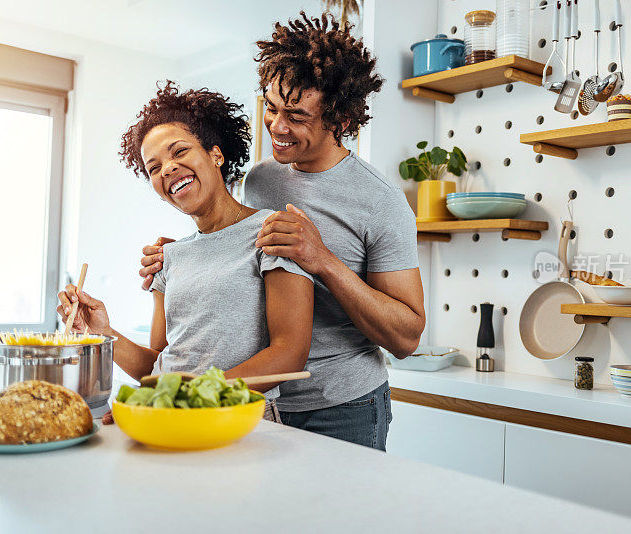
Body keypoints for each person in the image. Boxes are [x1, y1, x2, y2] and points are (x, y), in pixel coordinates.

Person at [139, 13, 425, 449]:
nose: (276, 126)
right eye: (271, 107)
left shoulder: (381, 202)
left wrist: (323, 260)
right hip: (258, 401)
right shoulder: (260, 181)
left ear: (341, 120)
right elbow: (238, 255)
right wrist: (182, 256)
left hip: (341, 405)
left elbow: (407, 335)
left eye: (296, 116)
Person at [58, 82, 314, 422]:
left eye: (179, 152)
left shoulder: (273, 231)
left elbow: (288, 354)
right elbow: (162, 364)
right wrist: (102, 334)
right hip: (169, 415)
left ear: (216, 154)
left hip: (237, 418)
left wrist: (182, 401)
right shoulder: (170, 257)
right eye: (153, 167)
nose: (167, 168)